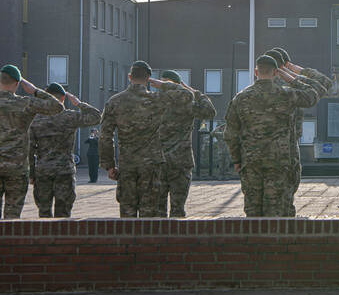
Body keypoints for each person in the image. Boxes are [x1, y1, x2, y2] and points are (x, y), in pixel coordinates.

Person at [223, 55, 319, 217]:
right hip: (279, 161)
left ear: (256, 71)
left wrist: (237, 160)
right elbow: (312, 94)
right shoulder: (286, 94)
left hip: (251, 161)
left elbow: (231, 134)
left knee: (253, 212)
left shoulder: (240, 98)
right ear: (276, 72)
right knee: (278, 211)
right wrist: (291, 79)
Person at [99, 61, 189, 217]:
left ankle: (128, 241)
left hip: (127, 164)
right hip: (151, 165)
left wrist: (109, 166)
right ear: (148, 78)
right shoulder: (156, 100)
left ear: (129, 77)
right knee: (150, 216)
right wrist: (163, 85)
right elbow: (187, 96)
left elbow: (105, 136)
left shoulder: (115, 102)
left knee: (127, 213)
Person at [269, 47, 332, 216]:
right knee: (286, 199)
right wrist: (297, 71)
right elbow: (324, 84)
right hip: (287, 149)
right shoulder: (291, 86)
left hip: (260, 150)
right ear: (285, 66)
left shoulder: (256, 88)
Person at [28, 83, 102, 217]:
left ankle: (44, 237)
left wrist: (32, 174)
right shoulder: (69, 117)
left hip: (43, 171)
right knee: (63, 214)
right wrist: (79, 103)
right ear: (63, 99)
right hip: (64, 171)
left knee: (43, 212)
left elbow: (29, 150)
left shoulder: (35, 120)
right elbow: (96, 117)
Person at [0, 64, 62, 219]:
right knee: (12, 218)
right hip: (17, 167)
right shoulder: (25, 103)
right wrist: (35, 91)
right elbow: (57, 106)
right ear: (16, 84)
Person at [156, 70, 214, 218]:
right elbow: (210, 112)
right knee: (178, 209)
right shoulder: (187, 103)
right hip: (180, 160)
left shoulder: (154, 101)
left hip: (157, 161)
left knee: (157, 211)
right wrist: (196, 93)